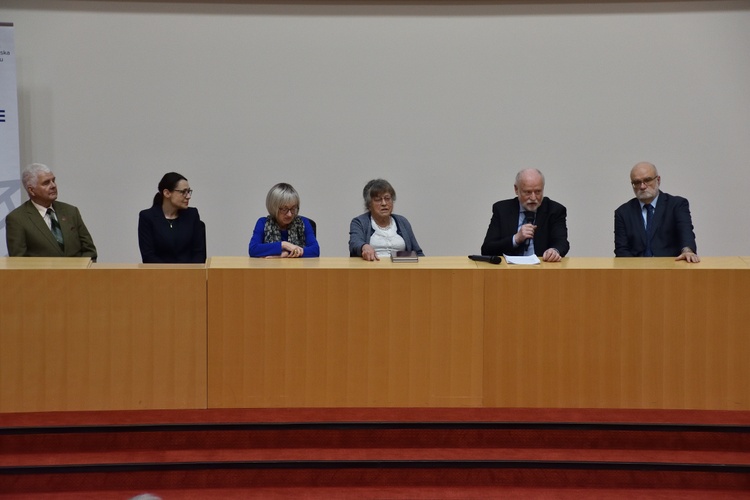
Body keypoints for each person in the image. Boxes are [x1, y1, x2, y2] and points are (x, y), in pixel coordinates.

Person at [6, 163, 97, 260]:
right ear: (31, 190)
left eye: (53, 180)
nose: (53, 185)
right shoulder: (17, 219)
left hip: (78, 274)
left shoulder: (71, 211)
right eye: (46, 183)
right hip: (42, 275)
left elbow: (89, 250)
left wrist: (78, 272)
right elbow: (19, 261)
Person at [614, 162, 699, 262]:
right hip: (636, 271)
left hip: (670, 269)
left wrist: (687, 251)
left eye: (647, 180)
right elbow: (621, 250)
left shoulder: (677, 205)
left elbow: (685, 232)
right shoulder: (623, 212)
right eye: (637, 182)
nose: (642, 186)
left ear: (658, 180)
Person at [481, 168, 569, 262]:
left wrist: (554, 251)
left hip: (542, 270)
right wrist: (516, 239)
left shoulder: (555, 210)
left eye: (538, 192)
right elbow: (487, 249)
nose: (533, 198)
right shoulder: (502, 210)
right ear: (516, 189)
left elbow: (562, 243)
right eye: (528, 192)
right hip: (509, 271)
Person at [138, 172, 206, 263]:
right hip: (159, 274)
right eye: (183, 192)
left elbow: (199, 254)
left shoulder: (192, 215)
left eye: (189, 191)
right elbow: (148, 256)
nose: (188, 196)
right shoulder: (147, 217)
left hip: (190, 274)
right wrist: (171, 273)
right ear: (167, 193)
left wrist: (188, 273)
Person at [349, 179, 424, 261]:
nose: (384, 203)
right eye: (378, 200)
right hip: (371, 270)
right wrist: (364, 246)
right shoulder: (360, 222)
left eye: (387, 198)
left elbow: (418, 253)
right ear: (369, 204)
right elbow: (354, 243)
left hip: (401, 270)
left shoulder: (402, 222)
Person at [249, 183, 319, 258]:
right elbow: (253, 249)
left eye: (293, 208)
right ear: (273, 207)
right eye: (284, 209)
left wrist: (284, 254)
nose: (289, 214)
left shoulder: (303, 222)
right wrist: (284, 245)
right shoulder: (263, 223)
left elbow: (315, 250)